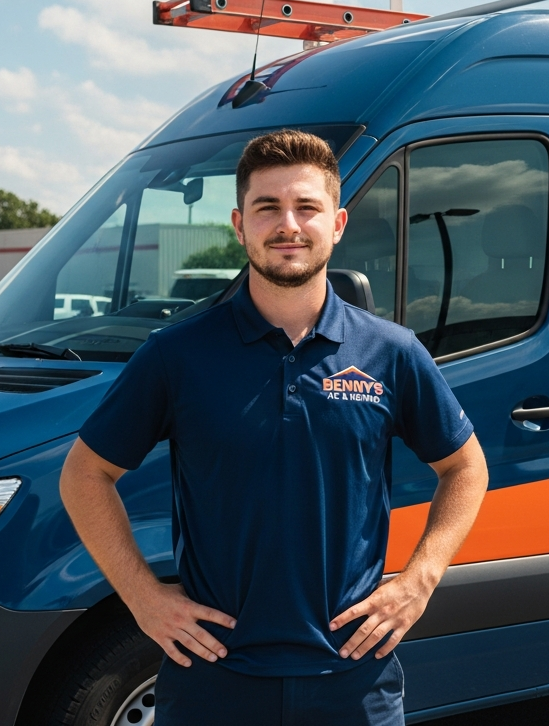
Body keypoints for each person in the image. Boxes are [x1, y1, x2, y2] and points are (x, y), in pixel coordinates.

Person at [60, 129, 488, 724]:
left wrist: (420, 579)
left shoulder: (392, 352)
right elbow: (86, 473)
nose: (288, 224)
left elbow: (465, 467)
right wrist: (142, 597)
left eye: (306, 207)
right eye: (268, 208)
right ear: (240, 225)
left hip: (354, 680)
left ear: (337, 224)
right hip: (212, 679)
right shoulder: (177, 355)